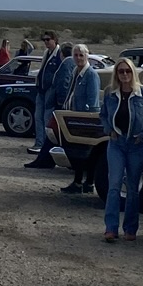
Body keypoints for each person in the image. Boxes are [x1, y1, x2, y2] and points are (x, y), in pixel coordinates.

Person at [100, 58, 143, 240]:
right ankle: (111, 228)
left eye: (128, 71)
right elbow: (103, 115)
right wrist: (109, 130)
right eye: (121, 71)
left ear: (133, 72)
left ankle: (130, 229)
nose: (125, 74)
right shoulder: (110, 93)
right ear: (116, 74)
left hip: (136, 145)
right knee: (114, 185)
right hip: (116, 144)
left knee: (133, 188)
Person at [55, 43, 103, 194]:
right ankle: (85, 183)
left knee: (84, 153)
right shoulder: (76, 71)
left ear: (87, 56)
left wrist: (88, 118)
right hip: (74, 115)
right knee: (79, 152)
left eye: (81, 55)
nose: (78, 58)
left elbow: (93, 101)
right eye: (76, 55)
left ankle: (82, 182)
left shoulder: (91, 75)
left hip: (84, 119)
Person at [25, 34, 63, 170]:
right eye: (44, 40)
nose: (46, 42)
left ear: (55, 40)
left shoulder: (58, 54)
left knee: (47, 118)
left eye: (48, 39)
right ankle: (39, 143)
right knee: (38, 116)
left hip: (50, 91)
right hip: (41, 89)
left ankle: (45, 145)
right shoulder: (47, 53)